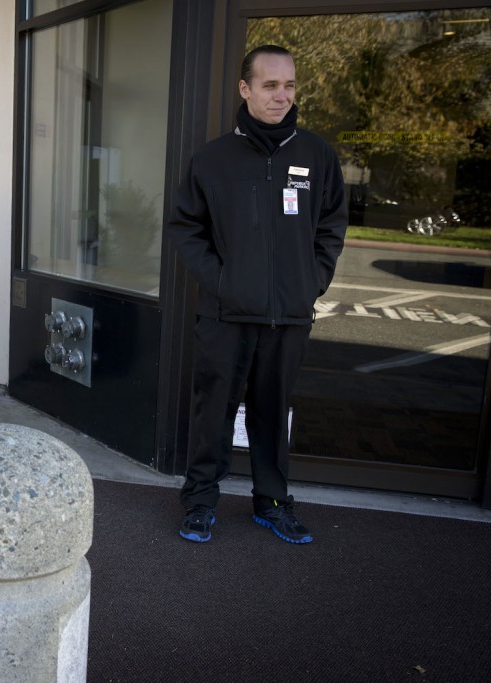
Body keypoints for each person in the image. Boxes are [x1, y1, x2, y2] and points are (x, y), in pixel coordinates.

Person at [168, 45, 347, 544]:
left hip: (289, 314)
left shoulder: (316, 155)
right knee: (213, 410)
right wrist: (223, 282)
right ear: (245, 89)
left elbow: (332, 224)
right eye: (270, 85)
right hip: (225, 313)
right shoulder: (213, 159)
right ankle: (201, 501)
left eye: (289, 85)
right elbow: (186, 229)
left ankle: (272, 502)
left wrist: (312, 281)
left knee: (274, 410)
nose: (281, 96)